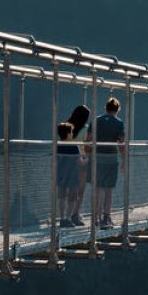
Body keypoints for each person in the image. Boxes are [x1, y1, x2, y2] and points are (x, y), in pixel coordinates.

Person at [87, 97, 126, 229]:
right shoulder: (119, 123)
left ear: (106, 108)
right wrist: (124, 160)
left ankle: (95, 217)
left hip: (97, 158)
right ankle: (106, 217)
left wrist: (87, 155)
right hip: (111, 159)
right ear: (118, 109)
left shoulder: (96, 120)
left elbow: (88, 139)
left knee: (97, 189)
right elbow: (121, 143)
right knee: (108, 190)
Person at [63, 105, 91, 226]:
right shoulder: (86, 129)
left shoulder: (66, 127)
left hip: (66, 160)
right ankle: (74, 215)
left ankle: (65, 216)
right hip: (81, 160)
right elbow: (88, 145)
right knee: (80, 190)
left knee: (68, 189)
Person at [54, 122, 86, 227]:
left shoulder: (57, 145)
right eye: (71, 132)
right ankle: (68, 218)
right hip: (73, 176)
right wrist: (88, 159)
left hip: (61, 175)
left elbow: (54, 161)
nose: (72, 134)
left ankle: (62, 218)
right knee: (72, 198)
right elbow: (80, 162)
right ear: (68, 134)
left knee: (62, 197)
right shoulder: (74, 146)